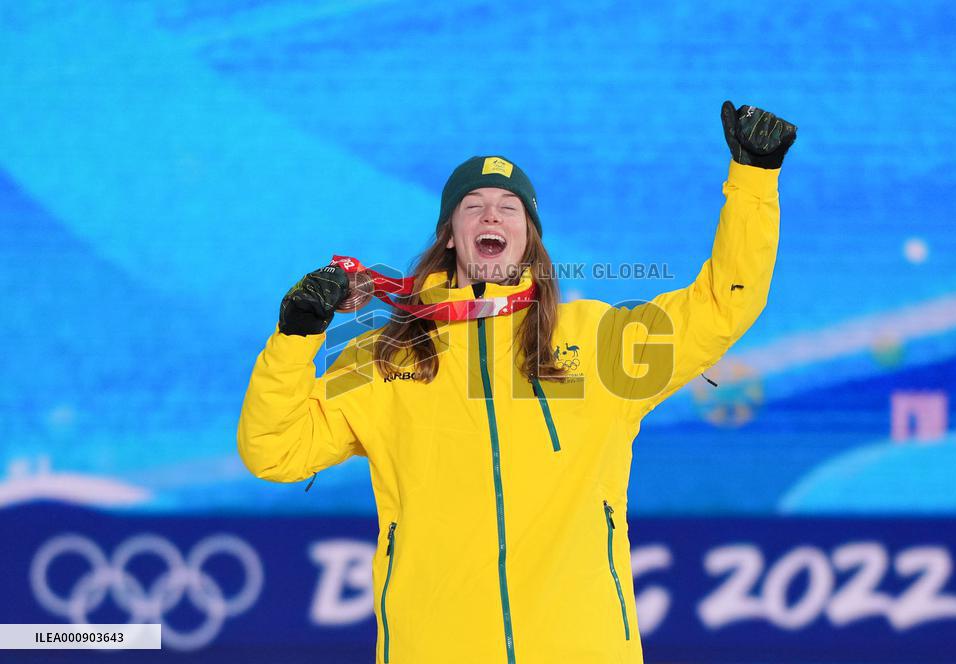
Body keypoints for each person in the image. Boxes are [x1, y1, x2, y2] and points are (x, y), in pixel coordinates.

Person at [237, 100, 796, 664]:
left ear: (529, 237)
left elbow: (723, 305)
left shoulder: (600, 343)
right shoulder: (385, 356)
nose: (490, 217)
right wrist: (295, 337)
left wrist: (755, 180)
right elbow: (274, 450)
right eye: (472, 206)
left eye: (509, 208)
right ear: (451, 236)